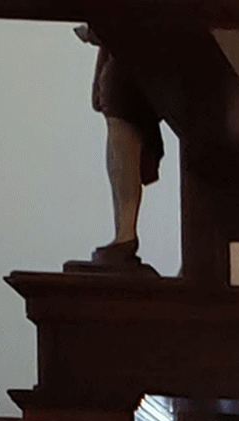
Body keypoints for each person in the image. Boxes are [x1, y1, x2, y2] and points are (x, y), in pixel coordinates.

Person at [67, 27, 165, 275]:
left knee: (124, 159)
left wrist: (94, 33)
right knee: (116, 161)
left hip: (128, 81)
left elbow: (127, 23)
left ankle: (126, 234)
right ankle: (122, 232)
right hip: (118, 79)